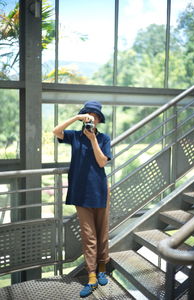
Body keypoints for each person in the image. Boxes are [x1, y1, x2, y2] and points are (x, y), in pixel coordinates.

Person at [53, 101, 112, 298]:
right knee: (89, 236)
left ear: (98, 120)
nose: (91, 118)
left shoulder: (103, 138)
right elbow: (56, 131)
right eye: (88, 115)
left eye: (94, 116)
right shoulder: (75, 136)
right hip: (80, 192)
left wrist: (93, 139)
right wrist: (76, 118)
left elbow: (103, 161)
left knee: (102, 232)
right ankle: (92, 275)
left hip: (100, 190)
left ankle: (102, 266)